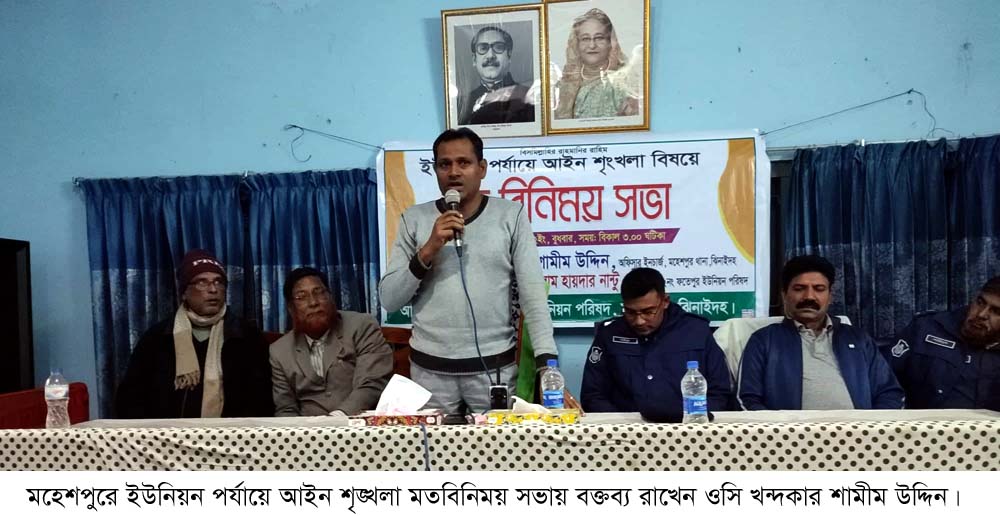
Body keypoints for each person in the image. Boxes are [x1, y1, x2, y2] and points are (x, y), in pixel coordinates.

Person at [379, 127, 572, 413]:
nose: (454, 172)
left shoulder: (511, 216)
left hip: (494, 371)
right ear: (435, 171)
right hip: (429, 373)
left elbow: (532, 293)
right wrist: (429, 249)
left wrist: (546, 362)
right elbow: (390, 299)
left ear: (481, 168)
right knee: (433, 445)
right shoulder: (414, 219)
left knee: (498, 444)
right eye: (444, 164)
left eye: (464, 163)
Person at [115, 249, 273, 418]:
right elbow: (131, 398)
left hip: (231, 432)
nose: (213, 289)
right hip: (168, 432)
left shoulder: (247, 337)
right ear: (184, 293)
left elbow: (262, 401)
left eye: (219, 282)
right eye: (202, 282)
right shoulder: (157, 339)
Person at [737, 255, 904, 410]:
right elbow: (747, 399)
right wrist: (780, 429)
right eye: (799, 288)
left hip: (857, 431)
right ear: (784, 295)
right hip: (790, 431)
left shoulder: (859, 339)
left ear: (830, 296)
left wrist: (871, 427)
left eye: (819, 289)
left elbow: (890, 393)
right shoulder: (764, 340)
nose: (809, 296)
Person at [581, 268, 731, 421]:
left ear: (665, 301)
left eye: (648, 312)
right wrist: (622, 424)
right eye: (630, 312)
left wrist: (692, 418)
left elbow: (719, 393)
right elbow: (592, 395)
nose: (639, 321)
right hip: (624, 429)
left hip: (689, 425)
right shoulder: (609, 334)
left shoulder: (696, 331)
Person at [269, 267, 393, 416]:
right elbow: (286, 409)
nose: (313, 302)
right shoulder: (279, 351)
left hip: (358, 423)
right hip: (308, 428)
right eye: (301, 297)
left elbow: (372, 383)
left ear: (330, 297)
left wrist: (337, 418)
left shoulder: (361, 326)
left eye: (319, 292)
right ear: (291, 308)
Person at [883, 276, 1000, 410]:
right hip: (919, 421)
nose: (981, 314)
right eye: (980, 302)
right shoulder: (926, 329)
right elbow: (882, 384)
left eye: (996, 311)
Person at [554, 8, 640, 120]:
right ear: (576, 44)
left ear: (610, 42)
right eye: (585, 39)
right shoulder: (563, 84)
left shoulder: (625, 82)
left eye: (599, 38)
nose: (592, 45)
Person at [456, 25, 535, 125]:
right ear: (474, 60)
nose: (490, 56)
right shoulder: (461, 104)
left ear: (509, 55)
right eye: (483, 48)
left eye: (498, 47)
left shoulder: (529, 97)